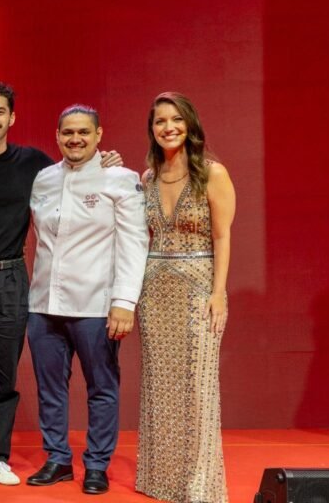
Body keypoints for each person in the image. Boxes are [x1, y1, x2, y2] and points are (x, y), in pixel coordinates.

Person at [0, 83, 121, 490]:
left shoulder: (34, 164)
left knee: (3, 375)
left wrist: (105, 162)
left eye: (0, 111)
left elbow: (75, 174)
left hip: (13, 278)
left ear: (11, 118)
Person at [25, 105, 148, 495]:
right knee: (50, 388)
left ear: (98, 135)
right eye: (67, 132)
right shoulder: (43, 179)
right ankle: (58, 459)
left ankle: (96, 464)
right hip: (43, 304)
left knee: (102, 388)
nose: (75, 139)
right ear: (57, 136)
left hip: (96, 304)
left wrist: (124, 301)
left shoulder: (121, 179)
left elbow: (134, 243)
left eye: (83, 132)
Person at [135, 92, 235, 503]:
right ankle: (161, 480)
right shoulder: (147, 178)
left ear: (190, 124)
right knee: (160, 388)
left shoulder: (212, 174)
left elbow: (222, 236)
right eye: (160, 121)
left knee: (198, 388)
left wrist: (219, 293)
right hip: (155, 292)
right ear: (152, 129)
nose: (169, 127)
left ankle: (199, 485)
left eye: (176, 119)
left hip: (198, 290)